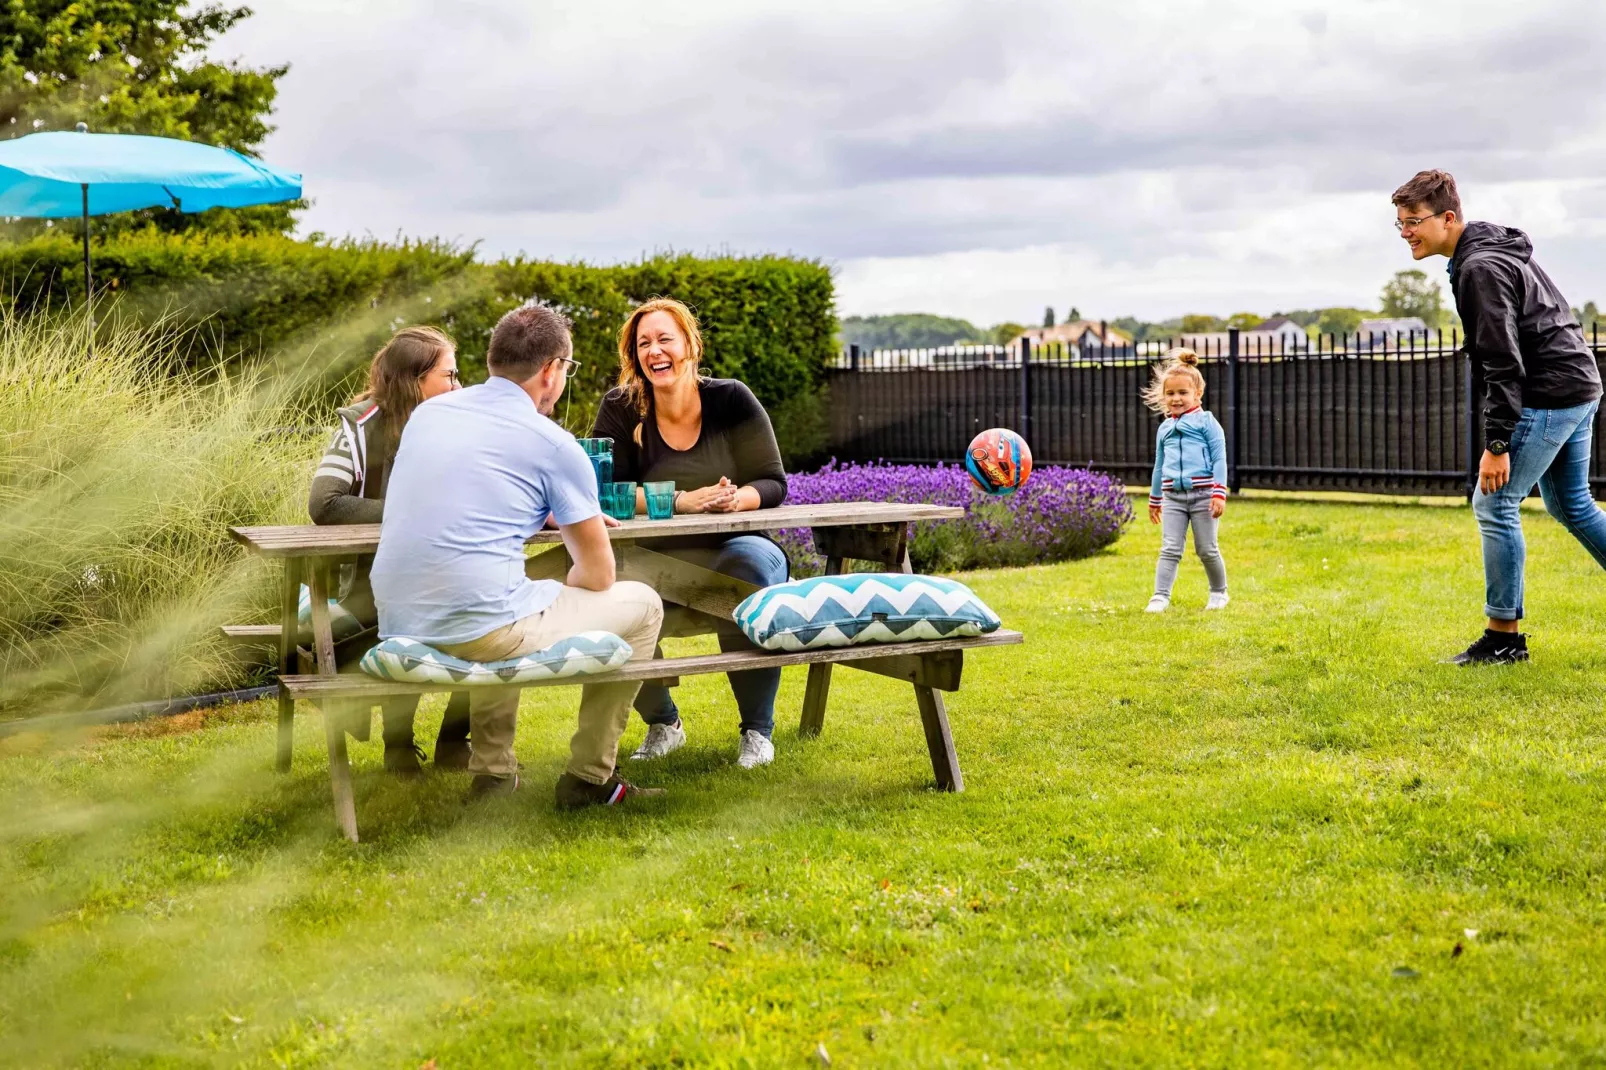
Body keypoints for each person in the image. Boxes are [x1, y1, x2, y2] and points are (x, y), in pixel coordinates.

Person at [369, 302, 666, 806]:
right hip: (478, 628)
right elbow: (597, 575)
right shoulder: (552, 443)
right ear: (552, 370)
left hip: (399, 616)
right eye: (566, 369)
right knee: (642, 603)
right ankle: (591, 779)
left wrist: (535, 515)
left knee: (505, 594)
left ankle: (494, 775)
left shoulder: (430, 415)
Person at [1393, 169, 1606, 665]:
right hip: (1578, 384)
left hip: (1550, 392)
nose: (1405, 233)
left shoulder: (1480, 267)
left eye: (1414, 222)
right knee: (1572, 506)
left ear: (1448, 218)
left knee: (1494, 503)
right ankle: (1503, 636)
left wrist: (1497, 445)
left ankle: (1503, 638)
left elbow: (1502, 359)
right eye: (1399, 224)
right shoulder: (1490, 253)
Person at [591, 297, 789, 770]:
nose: (654, 351)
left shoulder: (731, 399)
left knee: (748, 569)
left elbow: (773, 482)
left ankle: (757, 733)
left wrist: (732, 499)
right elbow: (603, 489)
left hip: (733, 547)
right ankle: (664, 723)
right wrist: (681, 502)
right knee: (609, 582)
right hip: (653, 557)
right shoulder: (620, 408)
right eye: (643, 344)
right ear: (634, 356)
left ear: (690, 346)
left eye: (665, 339)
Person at [308, 325, 472, 775]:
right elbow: (324, 503)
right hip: (370, 586)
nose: (460, 386)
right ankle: (398, 745)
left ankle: (455, 742)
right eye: (450, 376)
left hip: (445, 573)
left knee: (490, 613)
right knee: (412, 617)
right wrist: (412, 510)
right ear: (415, 382)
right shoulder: (360, 426)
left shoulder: (460, 425)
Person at [1142, 348, 1229, 613]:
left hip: (1204, 496)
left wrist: (1218, 493)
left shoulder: (1207, 423)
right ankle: (1160, 596)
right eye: (1171, 393)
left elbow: (1219, 459)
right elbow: (1159, 466)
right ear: (1164, 396)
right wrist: (1155, 499)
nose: (1176, 398)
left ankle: (1219, 593)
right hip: (1173, 498)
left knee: (1207, 549)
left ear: (1197, 394)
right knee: (1170, 548)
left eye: (1183, 393)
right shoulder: (1165, 428)